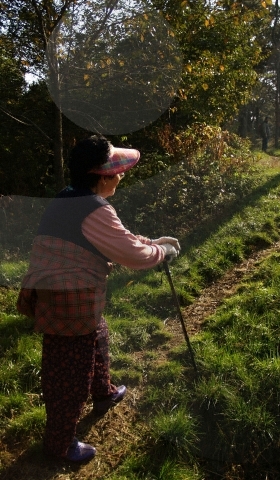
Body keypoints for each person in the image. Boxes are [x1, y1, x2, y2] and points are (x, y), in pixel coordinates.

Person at [16, 135, 180, 463]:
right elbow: (131, 254)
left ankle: (102, 393)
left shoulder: (72, 198)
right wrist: (161, 251)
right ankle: (59, 445)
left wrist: (149, 241)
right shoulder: (94, 209)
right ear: (102, 176)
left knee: (98, 337)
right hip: (69, 298)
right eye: (116, 171)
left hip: (61, 293)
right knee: (69, 374)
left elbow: (114, 239)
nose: (121, 175)